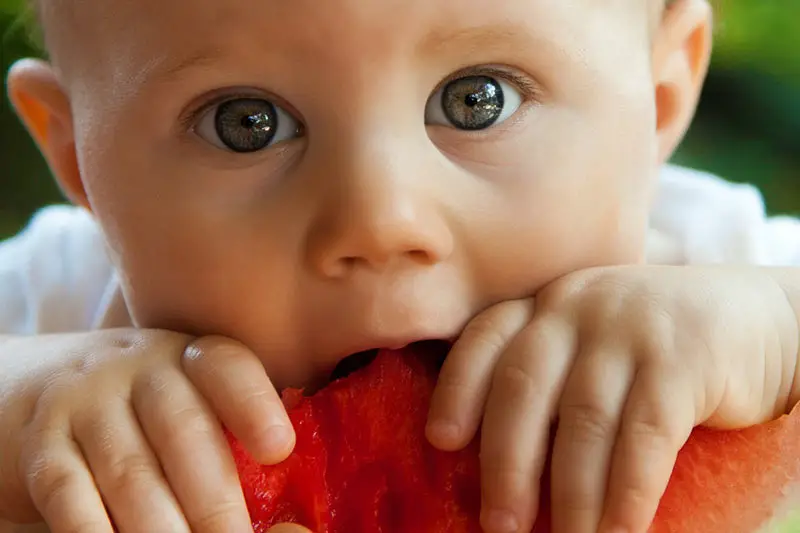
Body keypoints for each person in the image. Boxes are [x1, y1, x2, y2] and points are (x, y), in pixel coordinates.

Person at [2, 0, 800, 532]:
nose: (379, 221)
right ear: (78, 161)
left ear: (659, 96)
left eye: (476, 98)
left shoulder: (707, 261)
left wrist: (776, 330)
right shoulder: (64, 302)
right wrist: (28, 410)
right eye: (245, 123)